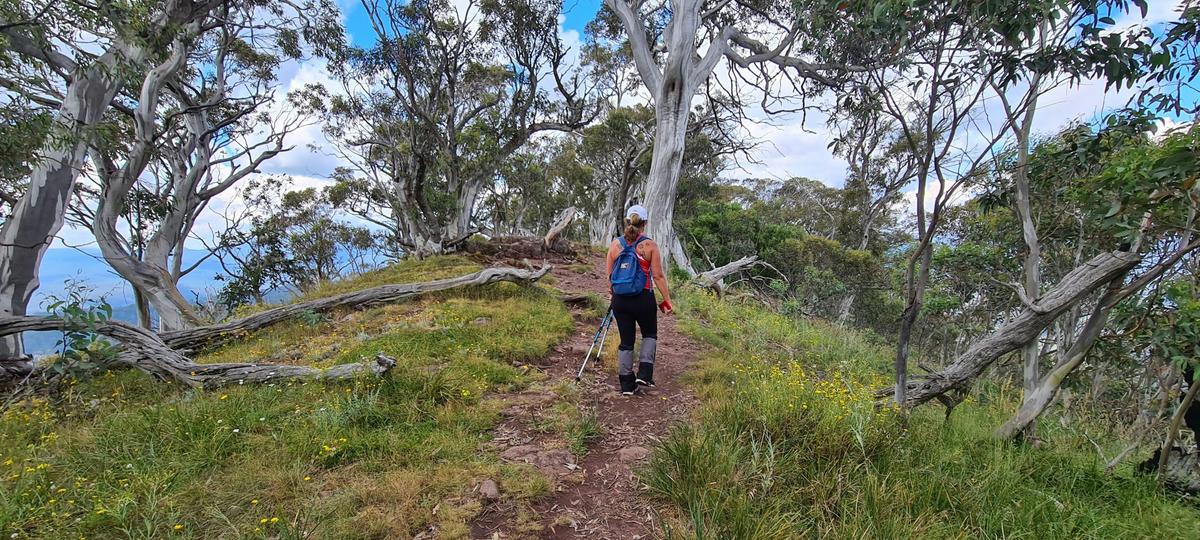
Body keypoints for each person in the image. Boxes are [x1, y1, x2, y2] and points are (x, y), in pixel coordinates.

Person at [605, 204, 673, 396]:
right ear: (645, 223)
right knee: (649, 333)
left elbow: (610, 275)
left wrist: (612, 294)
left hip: (620, 300)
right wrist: (666, 299)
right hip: (643, 298)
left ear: (628, 222)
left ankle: (627, 384)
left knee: (626, 341)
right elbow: (658, 276)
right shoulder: (650, 245)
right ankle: (644, 372)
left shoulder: (615, 245)